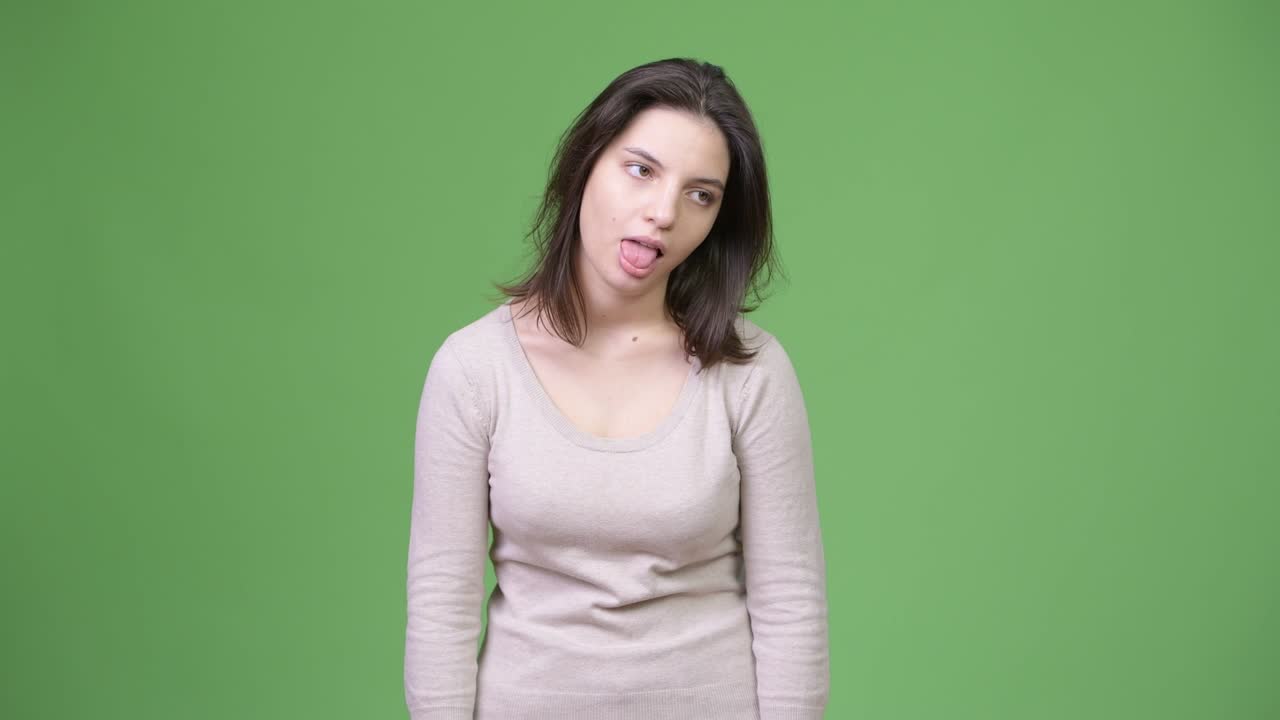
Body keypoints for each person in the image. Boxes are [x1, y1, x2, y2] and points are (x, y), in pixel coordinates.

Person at [404, 57, 829, 720]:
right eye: (641, 169)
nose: (664, 212)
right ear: (585, 166)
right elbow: (441, 601)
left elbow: (791, 600)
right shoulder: (473, 368)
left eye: (701, 194)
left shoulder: (750, 372)